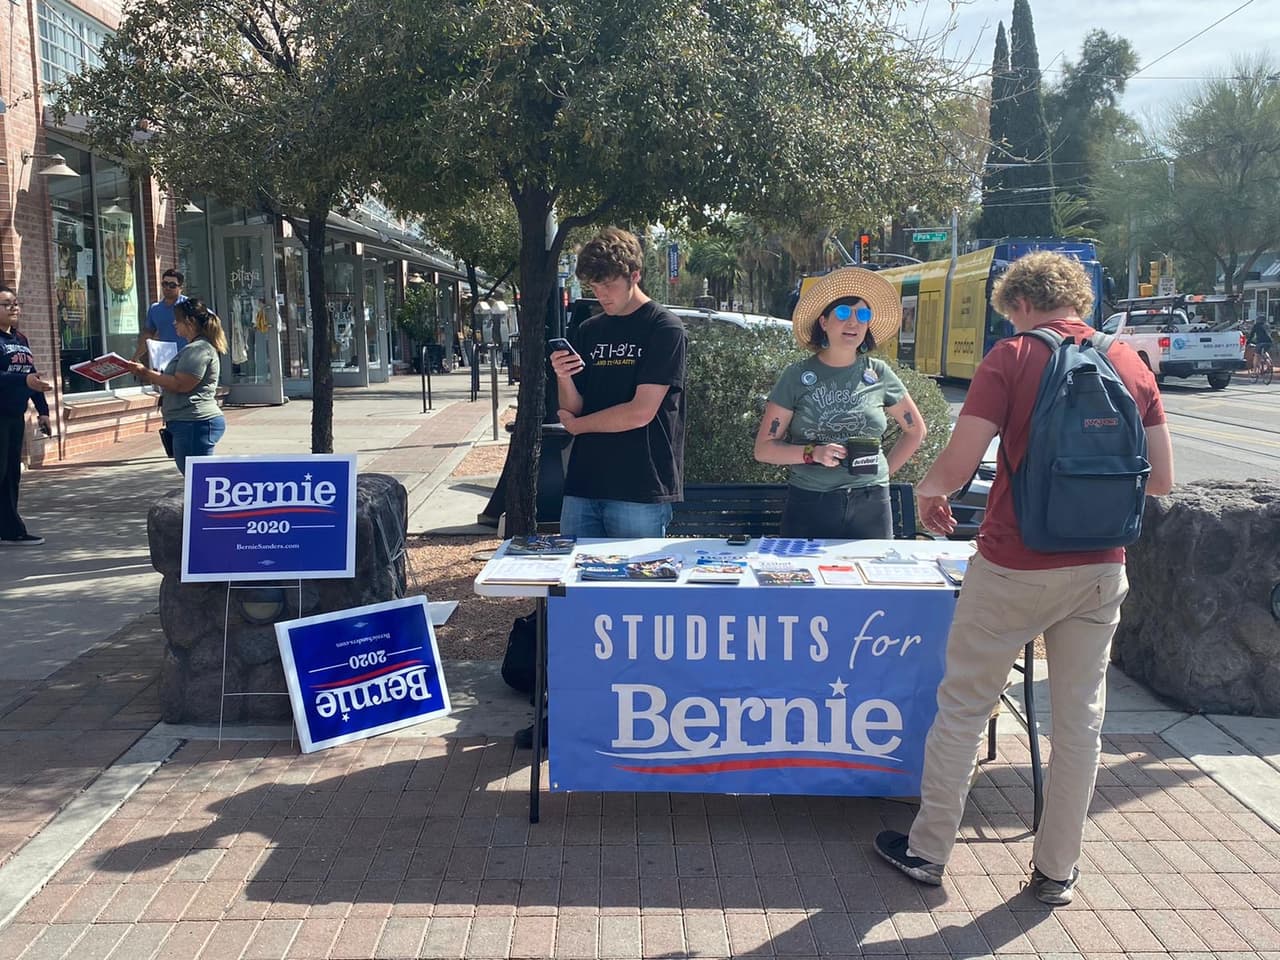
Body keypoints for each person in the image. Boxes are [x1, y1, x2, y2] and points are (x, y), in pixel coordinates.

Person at [873, 251, 1174, 906]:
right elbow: (1163, 480)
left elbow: (957, 464)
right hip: (1101, 567)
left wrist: (928, 491)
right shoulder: (1129, 362)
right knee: (1079, 723)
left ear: (1019, 304)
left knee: (963, 708)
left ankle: (927, 854)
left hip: (1014, 563)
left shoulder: (1011, 359)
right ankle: (1056, 871)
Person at [753, 267, 926, 539]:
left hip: (872, 505)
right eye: (844, 313)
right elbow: (764, 449)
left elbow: (915, 430)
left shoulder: (879, 373)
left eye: (863, 315)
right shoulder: (796, 376)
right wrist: (813, 453)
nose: (853, 323)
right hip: (811, 504)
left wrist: (880, 473)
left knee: (871, 579)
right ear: (824, 322)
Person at [551, 226, 687, 537]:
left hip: (639, 486)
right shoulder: (589, 330)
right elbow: (573, 407)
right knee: (574, 583)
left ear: (635, 275)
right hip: (584, 483)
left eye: (608, 285)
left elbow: (640, 412)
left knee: (635, 584)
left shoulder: (665, 328)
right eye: (594, 286)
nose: (601, 295)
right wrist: (564, 376)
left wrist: (579, 426)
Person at [124, 299, 227, 474]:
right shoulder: (193, 348)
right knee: (195, 476)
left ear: (190, 322)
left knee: (198, 477)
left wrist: (145, 373)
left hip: (194, 421)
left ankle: (202, 501)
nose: (174, 324)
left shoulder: (198, 349)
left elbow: (182, 384)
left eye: (177, 320)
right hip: (187, 421)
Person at [0, 286, 53, 545]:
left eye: (15, 303)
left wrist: (43, 411)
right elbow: (21, 378)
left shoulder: (20, 339)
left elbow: (32, 377)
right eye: (6, 304)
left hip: (14, 416)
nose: (14, 308)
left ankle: (10, 530)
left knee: (11, 474)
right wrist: (25, 380)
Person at [135, 268, 188, 361]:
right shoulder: (155, 309)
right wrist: (135, 358)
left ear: (181, 288)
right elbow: (147, 336)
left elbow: (211, 325)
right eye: (164, 284)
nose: (167, 288)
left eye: (172, 285)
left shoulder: (189, 305)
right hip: (166, 360)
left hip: (188, 358)